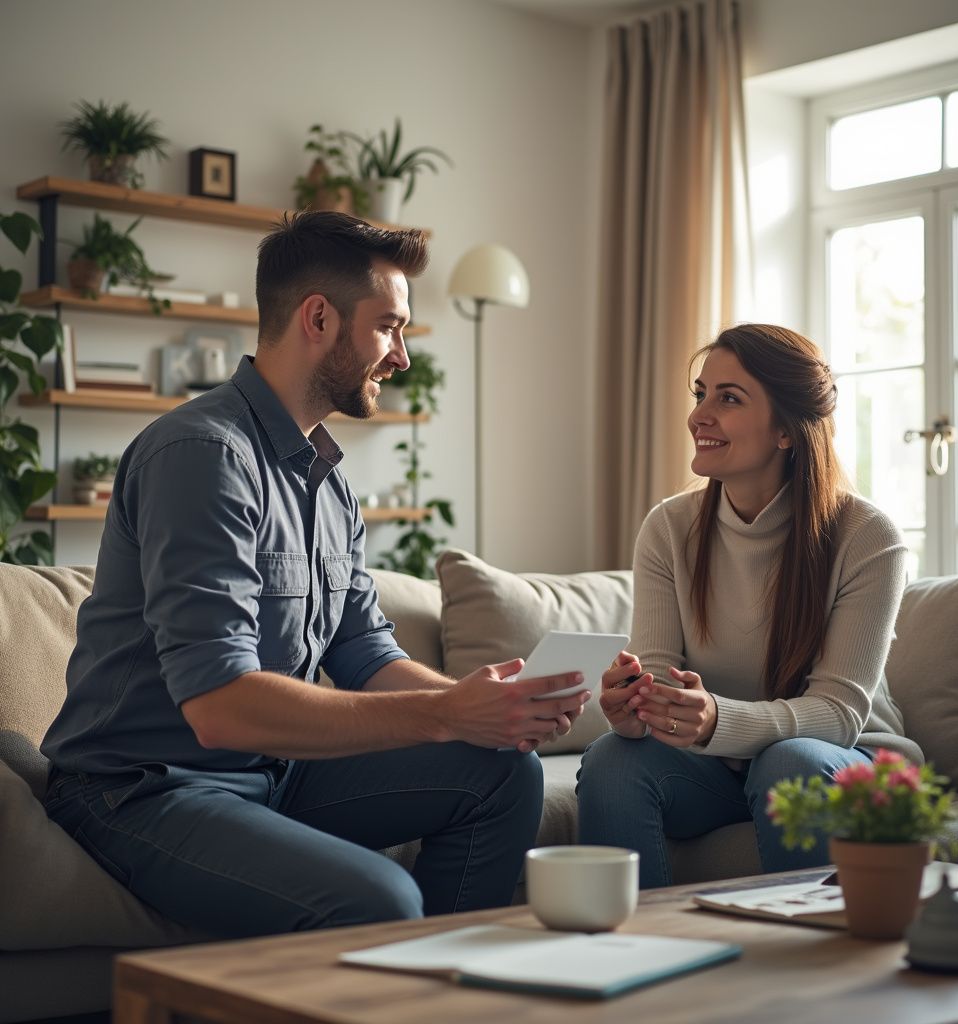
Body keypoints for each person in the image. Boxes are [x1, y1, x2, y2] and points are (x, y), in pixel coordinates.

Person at [41, 211, 590, 937]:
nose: (401, 356)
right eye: (390, 326)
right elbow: (220, 706)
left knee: (500, 771)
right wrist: (445, 713)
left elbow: (365, 653)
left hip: (274, 775)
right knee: (379, 899)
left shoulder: (328, 483)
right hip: (141, 789)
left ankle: (446, 995)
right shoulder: (201, 455)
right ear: (320, 318)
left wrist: (490, 706)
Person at [576, 323, 922, 887]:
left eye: (728, 398)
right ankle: (637, 957)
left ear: (787, 430)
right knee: (613, 758)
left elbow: (837, 714)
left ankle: (810, 962)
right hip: (715, 769)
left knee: (790, 763)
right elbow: (659, 682)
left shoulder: (867, 536)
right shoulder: (669, 528)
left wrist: (716, 718)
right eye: (700, 394)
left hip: (846, 761)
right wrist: (636, 710)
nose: (698, 416)